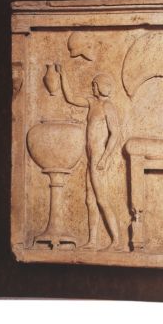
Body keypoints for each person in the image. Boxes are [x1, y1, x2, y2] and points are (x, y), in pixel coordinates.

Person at [55, 65, 125, 251]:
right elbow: (70, 98)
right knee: (90, 200)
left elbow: (115, 134)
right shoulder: (92, 103)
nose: (92, 88)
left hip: (99, 158)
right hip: (91, 158)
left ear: (101, 87)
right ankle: (93, 241)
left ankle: (116, 242)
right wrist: (63, 75)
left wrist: (105, 158)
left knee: (102, 199)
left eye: (95, 85)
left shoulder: (108, 106)